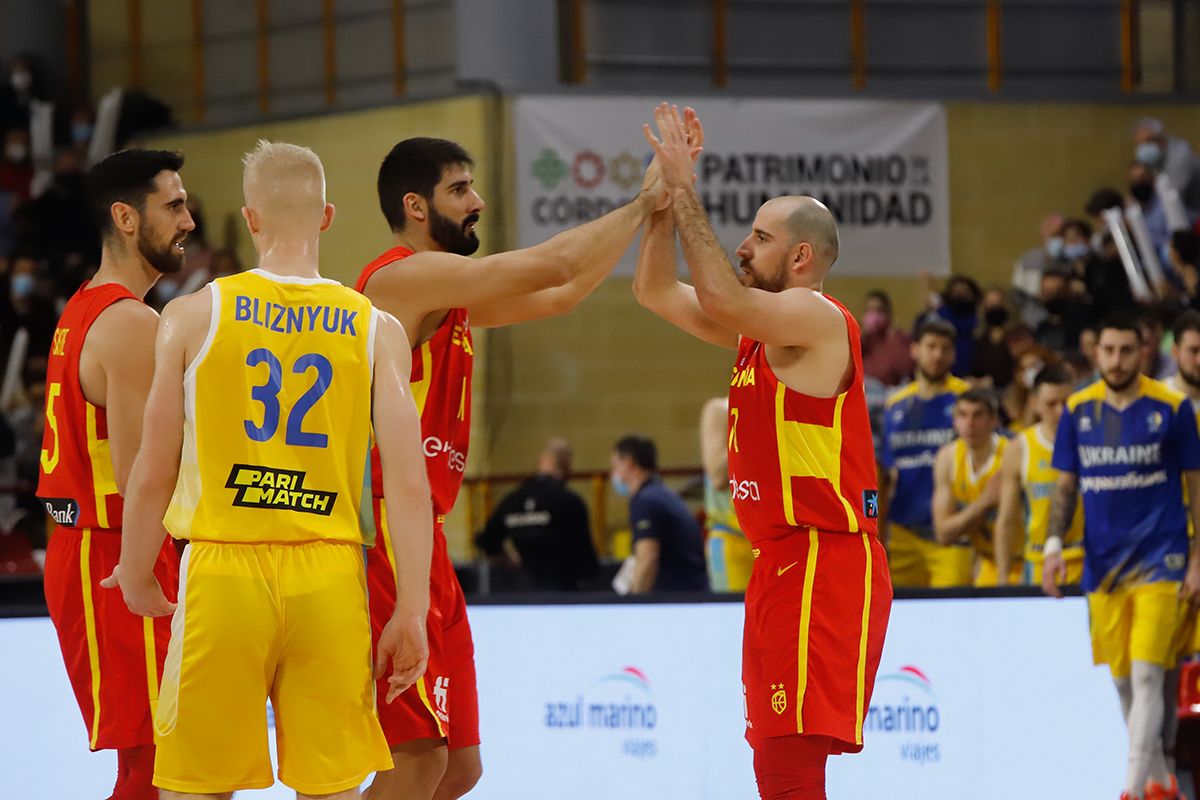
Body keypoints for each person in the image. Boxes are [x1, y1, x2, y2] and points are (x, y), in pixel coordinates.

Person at [103, 141, 434, 798]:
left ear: (250, 220)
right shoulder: (376, 328)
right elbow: (407, 482)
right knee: (333, 789)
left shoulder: (192, 316)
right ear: (328, 217)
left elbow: (152, 468)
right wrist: (413, 612)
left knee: (197, 788)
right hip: (330, 576)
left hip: (225, 572)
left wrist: (136, 566)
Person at [355, 135, 679, 800]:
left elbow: (564, 290)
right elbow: (550, 261)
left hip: (425, 538)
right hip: (384, 531)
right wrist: (643, 200)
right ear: (415, 207)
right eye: (459, 190)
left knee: (460, 768)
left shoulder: (452, 296)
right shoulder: (397, 279)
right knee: (418, 760)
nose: (477, 202)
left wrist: (653, 212)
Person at [636, 103, 892, 799]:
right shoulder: (760, 331)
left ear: (801, 257)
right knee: (774, 757)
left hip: (824, 555)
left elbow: (718, 294)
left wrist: (690, 190)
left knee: (787, 762)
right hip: (783, 560)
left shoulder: (814, 317)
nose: (743, 248)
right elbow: (654, 289)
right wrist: (664, 196)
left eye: (759, 237)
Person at [35, 148, 193, 800]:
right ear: (126, 218)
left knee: (171, 762)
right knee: (158, 767)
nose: (189, 221)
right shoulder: (130, 322)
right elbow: (140, 478)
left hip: (103, 545)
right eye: (175, 206)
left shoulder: (93, 305)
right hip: (114, 550)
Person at [1044, 314, 1200, 800]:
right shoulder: (1077, 410)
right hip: (1103, 567)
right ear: (1097, 353)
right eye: (1108, 350)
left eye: (1126, 351)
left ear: (1144, 352)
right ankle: (1159, 780)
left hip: (1163, 559)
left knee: (1150, 675)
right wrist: (1052, 547)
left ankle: (1131, 788)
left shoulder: (1172, 409)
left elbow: (1197, 489)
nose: (1115, 360)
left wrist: (1198, 560)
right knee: (1124, 684)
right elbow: (1065, 488)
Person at [878, 319, 971, 588]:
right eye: (931, 346)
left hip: (951, 537)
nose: (937, 355)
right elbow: (882, 477)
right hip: (902, 533)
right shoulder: (894, 404)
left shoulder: (966, 400)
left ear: (953, 354)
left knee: (952, 619)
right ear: (915, 349)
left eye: (945, 348)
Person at [994, 364, 1085, 587]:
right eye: (1051, 403)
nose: (1060, 411)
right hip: (1038, 563)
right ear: (1034, 403)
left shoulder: (1091, 441)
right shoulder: (1020, 447)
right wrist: (1003, 578)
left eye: (1066, 402)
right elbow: (1007, 519)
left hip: (1087, 561)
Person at [473, 437, 598, 592]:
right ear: (567, 464)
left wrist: (516, 564)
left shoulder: (512, 501)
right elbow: (586, 561)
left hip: (523, 592)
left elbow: (487, 542)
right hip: (564, 593)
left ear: (540, 462)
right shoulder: (569, 502)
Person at [931, 388, 1014, 586]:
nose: (969, 423)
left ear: (994, 420)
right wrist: (984, 502)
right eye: (963, 415)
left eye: (978, 415)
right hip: (987, 561)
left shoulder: (1011, 453)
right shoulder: (948, 458)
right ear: (954, 420)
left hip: (1021, 560)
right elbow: (943, 534)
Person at [610, 434, 708, 593]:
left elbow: (647, 559)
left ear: (628, 463)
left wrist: (634, 605)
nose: (613, 474)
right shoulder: (663, 495)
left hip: (677, 598)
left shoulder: (646, 502)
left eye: (615, 466)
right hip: (692, 590)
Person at [699, 396, 754, 592]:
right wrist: (754, 419)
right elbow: (718, 477)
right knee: (735, 619)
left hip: (777, 540)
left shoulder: (786, 407)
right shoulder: (720, 409)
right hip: (733, 540)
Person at [1133, 116, 1200, 210]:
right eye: (1139, 144)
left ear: (1160, 139)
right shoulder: (1156, 161)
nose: (1142, 148)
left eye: (1147, 142)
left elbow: (1171, 200)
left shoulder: (1180, 157)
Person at [859, 289, 913, 387]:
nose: (874, 315)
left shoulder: (899, 340)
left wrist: (895, 338)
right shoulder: (862, 342)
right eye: (869, 310)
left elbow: (906, 369)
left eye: (879, 310)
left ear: (889, 314)